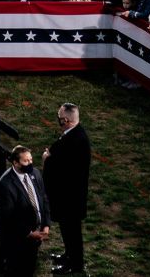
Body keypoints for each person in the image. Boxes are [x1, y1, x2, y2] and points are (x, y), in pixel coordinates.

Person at [42, 102, 92, 275]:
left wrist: (47, 159)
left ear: (66, 120)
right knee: (67, 230)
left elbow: (64, 168)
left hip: (71, 197)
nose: (58, 119)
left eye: (59, 117)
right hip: (67, 195)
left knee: (73, 233)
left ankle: (75, 264)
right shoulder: (73, 134)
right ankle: (68, 255)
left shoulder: (76, 140)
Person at [0, 144, 51, 277]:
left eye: (31, 160)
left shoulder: (35, 173)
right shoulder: (5, 184)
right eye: (26, 161)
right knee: (16, 270)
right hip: (17, 239)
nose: (30, 163)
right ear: (15, 162)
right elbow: (8, 216)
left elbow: (43, 198)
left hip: (35, 235)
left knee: (30, 268)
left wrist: (46, 224)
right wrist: (28, 233)